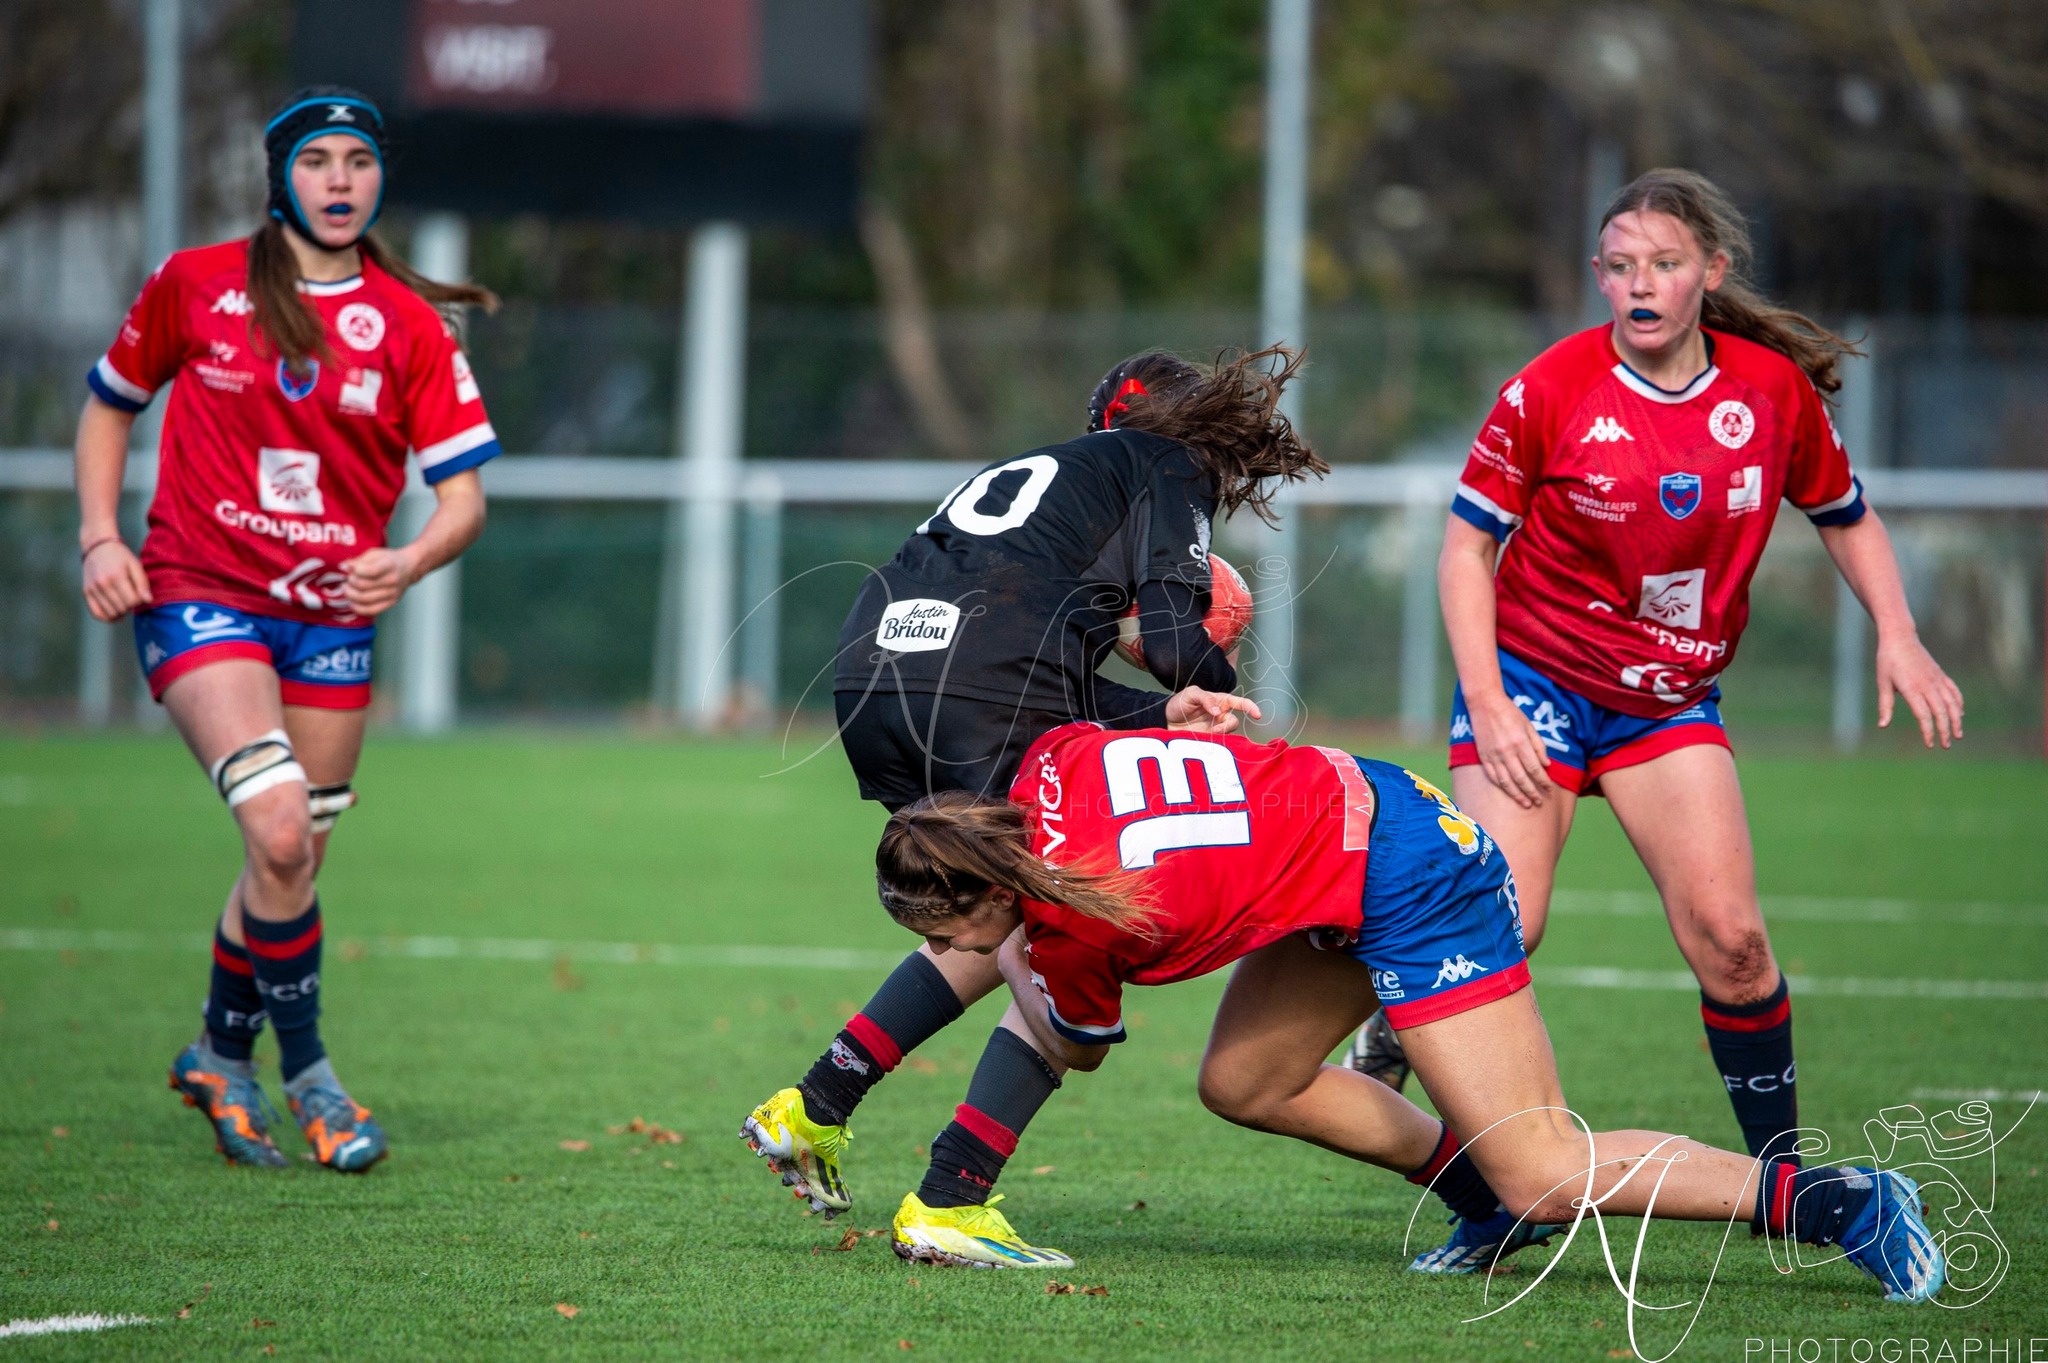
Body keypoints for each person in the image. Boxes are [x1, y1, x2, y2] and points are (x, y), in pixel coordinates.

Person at [869, 720, 1944, 1304]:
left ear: (994, 894)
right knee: (1242, 1081)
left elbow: (1074, 1044)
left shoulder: (1066, 930)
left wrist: (1009, 957)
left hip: (1409, 872)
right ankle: (1483, 1203)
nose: (947, 952)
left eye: (953, 933)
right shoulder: (1046, 759)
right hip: (1346, 829)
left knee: (1546, 1166)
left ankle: (1838, 1201)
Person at [1344, 169, 1965, 1168]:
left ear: (1707, 275)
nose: (1640, 284)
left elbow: (1844, 517)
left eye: (1664, 265)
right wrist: (1486, 702)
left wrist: (1895, 632)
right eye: (1621, 266)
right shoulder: (1546, 387)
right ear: (1598, 276)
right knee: (1500, 920)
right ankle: (1478, 1174)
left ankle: (1783, 1183)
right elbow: (1463, 552)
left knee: (1732, 941)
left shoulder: (1768, 394)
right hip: (1534, 682)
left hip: (1664, 701)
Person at [741, 349, 1323, 1257]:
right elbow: (1173, 640)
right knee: (1067, 933)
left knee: (997, 909)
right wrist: (1208, 673)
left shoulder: (1051, 469)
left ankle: (818, 1104)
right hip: (979, 693)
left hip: (870, 681)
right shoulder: (1169, 464)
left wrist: (1163, 712)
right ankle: (950, 1197)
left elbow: (1032, 665)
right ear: (1196, 428)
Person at [75, 87, 501, 1171]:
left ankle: (220, 1052)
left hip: (329, 620)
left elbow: (462, 499)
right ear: (282, 178)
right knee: (274, 831)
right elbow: (110, 401)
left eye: (360, 160)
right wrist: (99, 539)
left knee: (292, 858)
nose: (342, 179)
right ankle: (310, 1073)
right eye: (320, 160)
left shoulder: (409, 325)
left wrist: (405, 561)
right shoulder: (197, 284)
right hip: (198, 587)